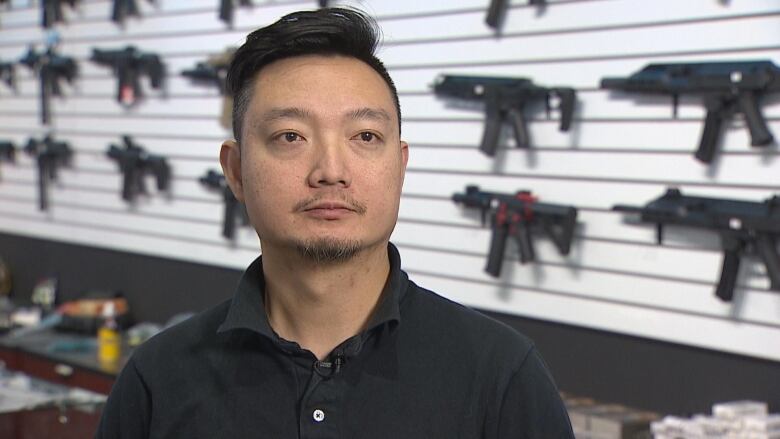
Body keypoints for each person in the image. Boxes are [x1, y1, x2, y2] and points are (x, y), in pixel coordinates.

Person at [96, 8, 574, 438]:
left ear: (400, 166)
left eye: (365, 136)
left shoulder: (502, 376)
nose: (331, 170)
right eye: (290, 136)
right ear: (236, 171)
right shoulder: (157, 379)